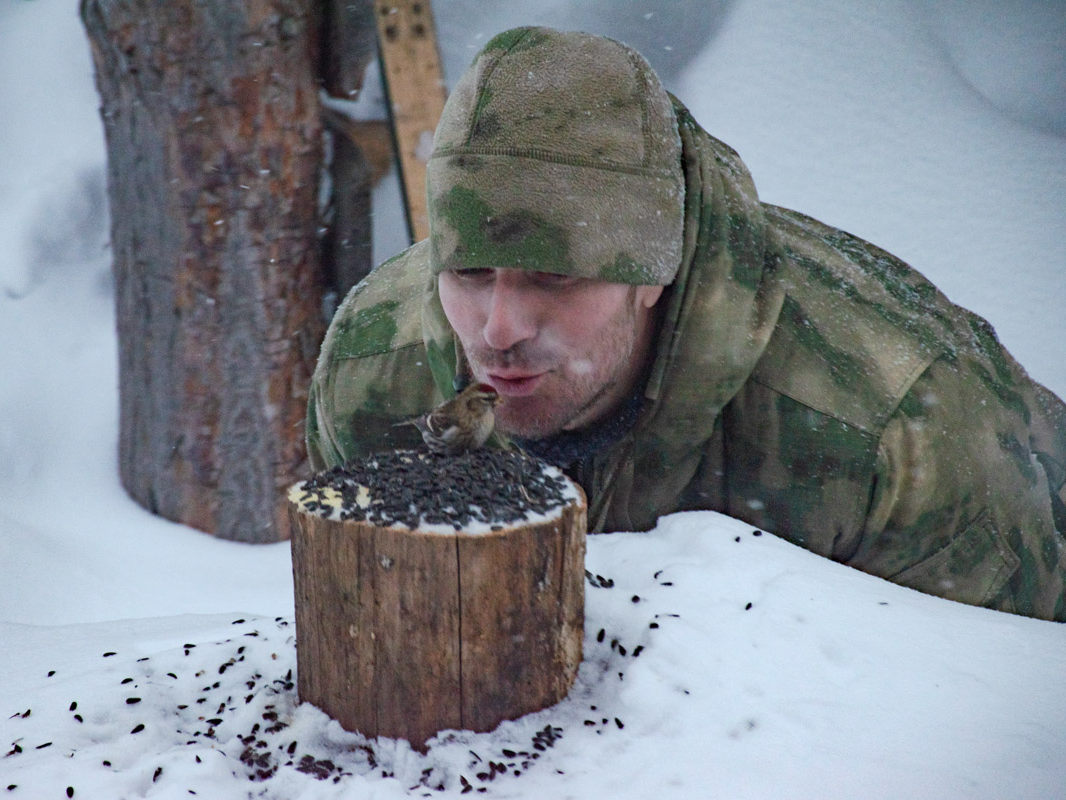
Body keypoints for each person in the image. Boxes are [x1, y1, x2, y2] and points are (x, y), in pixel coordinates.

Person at [305, 26, 1066, 621]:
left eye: (555, 275)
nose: (497, 328)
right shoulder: (378, 366)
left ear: (652, 271)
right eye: (469, 271)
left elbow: (983, 723)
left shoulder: (890, 425)